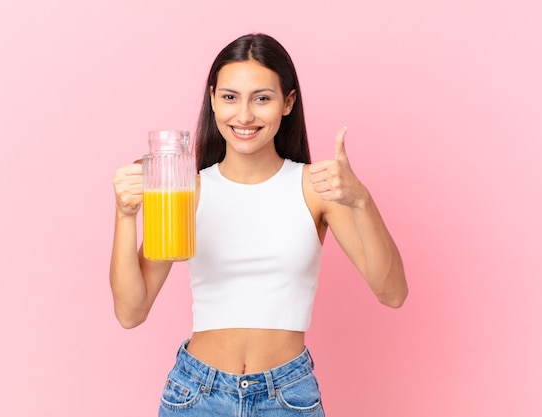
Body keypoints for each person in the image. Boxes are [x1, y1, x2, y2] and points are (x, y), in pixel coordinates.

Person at [110, 33, 408, 416]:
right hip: (196, 394)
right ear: (213, 100)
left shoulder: (314, 188)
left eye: (262, 98)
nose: (244, 115)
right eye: (230, 97)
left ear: (288, 103)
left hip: (287, 396)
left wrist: (361, 200)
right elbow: (131, 312)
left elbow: (393, 293)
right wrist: (125, 215)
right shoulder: (187, 191)